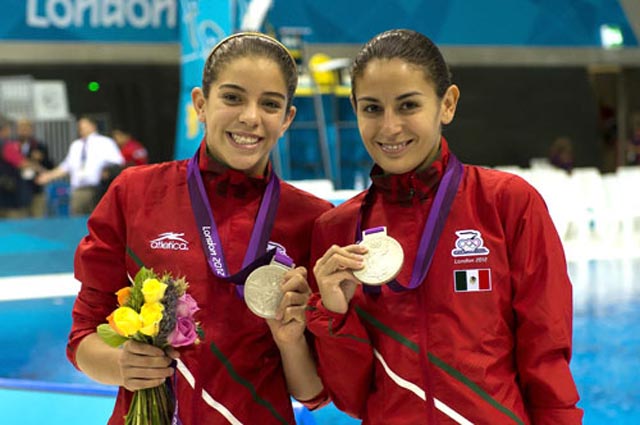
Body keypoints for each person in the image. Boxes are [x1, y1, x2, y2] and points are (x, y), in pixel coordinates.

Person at [306, 29, 583, 424]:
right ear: (354, 109)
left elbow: (546, 354)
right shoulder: (338, 231)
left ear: (447, 104)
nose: (389, 127)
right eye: (371, 108)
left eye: (408, 106)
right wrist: (334, 313)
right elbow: (351, 398)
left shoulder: (506, 204)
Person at [66, 32, 332, 425]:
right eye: (233, 97)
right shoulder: (135, 193)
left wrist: (289, 339)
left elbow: (312, 392)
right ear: (201, 104)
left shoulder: (311, 219)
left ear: (287, 119)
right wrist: (121, 364)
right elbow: (83, 335)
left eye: (270, 104)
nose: (250, 117)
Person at [36, 116, 124, 215]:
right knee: (77, 217)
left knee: (99, 218)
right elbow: (66, 167)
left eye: (84, 125)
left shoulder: (105, 142)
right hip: (79, 190)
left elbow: (118, 162)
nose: (81, 128)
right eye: (80, 125)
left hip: (100, 189)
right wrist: (49, 176)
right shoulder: (76, 145)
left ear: (93, 126)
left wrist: (106, 171)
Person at [15, 118, 54, 217]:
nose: (23, 130)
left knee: (37, 217)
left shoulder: (39, 145)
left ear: (31, 129)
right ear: (17, 130)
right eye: (21, 128)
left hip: (36, 188)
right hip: (17, 190)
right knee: (20, 219)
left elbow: (50, 166)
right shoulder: (12, 146)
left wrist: (42, 158)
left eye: (26, 128)